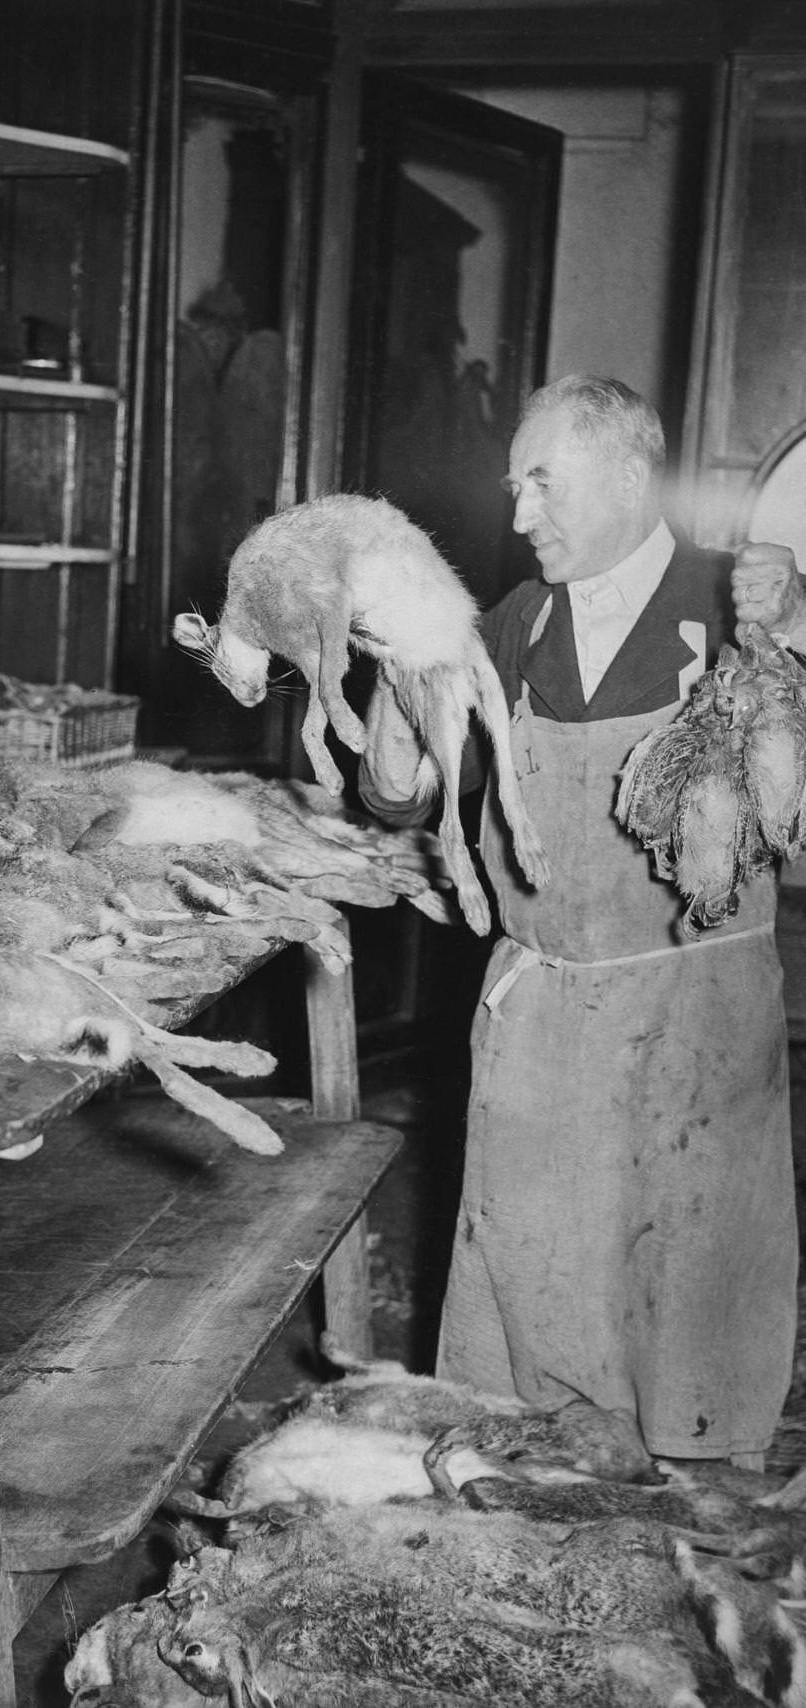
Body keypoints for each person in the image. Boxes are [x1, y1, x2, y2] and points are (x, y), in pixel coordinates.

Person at [361, 373, 803, 1466]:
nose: (519, 516)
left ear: (628, 471)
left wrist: (798, 630)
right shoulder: (514, 624)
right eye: (514, 488)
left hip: (693, 1028)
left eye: (543, 483)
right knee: (531, 1303)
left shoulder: (738, 603)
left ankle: (695, 1499)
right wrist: (393, 674)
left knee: (687, 1307)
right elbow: (397, 797)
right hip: (546, 1021)